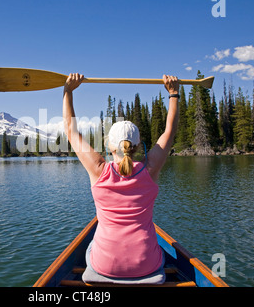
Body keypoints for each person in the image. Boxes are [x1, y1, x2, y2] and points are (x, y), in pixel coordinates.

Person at [62, 73, 180, 284]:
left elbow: (71, 132)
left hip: (104, 266)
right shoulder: (150, 169)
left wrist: (68, 91)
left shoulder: (98, 169)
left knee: (90, 246)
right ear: (137, 146)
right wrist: (174, 94)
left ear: (110, 146)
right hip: (147, 265)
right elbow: (169, 132)